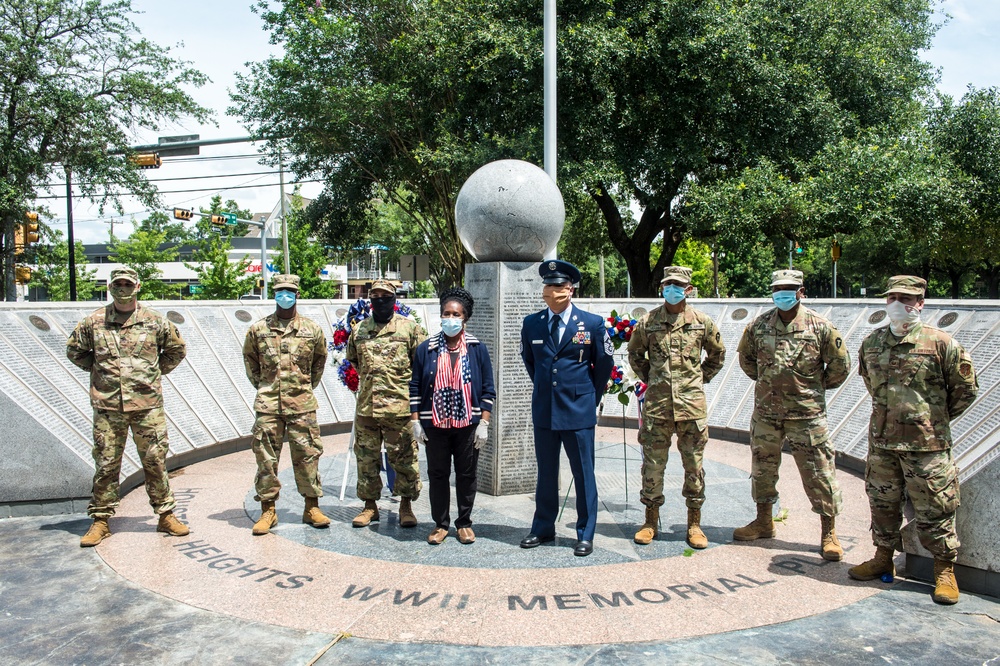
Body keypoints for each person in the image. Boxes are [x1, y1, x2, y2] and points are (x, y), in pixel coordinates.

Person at [850, 275, 978, 605]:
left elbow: (965, 390)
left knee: (937, 508)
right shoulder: (872, 343)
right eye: (892, 297)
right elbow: (870, 382)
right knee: (882, 504)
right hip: (882, 444)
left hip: (927, 447)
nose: (898, 304)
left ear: (920, 302)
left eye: (906, 298)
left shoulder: (941, 343)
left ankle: (944, 570)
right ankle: (882, 557)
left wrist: (932, 418)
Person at [66, 267, 189, 547]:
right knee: (106, 463)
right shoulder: (93, 322)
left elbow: (176, 350)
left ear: (138, 286)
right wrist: (100, 373)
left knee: (155, 461)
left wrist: (151, 374)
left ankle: (165, 515)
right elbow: (75, 351)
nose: (123, 288)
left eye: (128, 284)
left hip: (147, 406)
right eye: (118, 284)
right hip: (109, 407)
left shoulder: (155, 321)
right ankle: (100, 520)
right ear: (110, 286)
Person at [734, 269, 850, 560]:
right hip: (766, 413)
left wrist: (811, 388)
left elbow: (840, 367)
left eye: (789, 289)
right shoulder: (758, 326)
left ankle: (828, 533)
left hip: (806, 415)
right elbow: (747, 361)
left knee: (819, 474)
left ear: (801, 291)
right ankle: (764, 521)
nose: (782, 294)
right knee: (762, 470)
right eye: (778, 289)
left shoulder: (820, 327)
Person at [519, 260, 614, 556]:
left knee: (583, 473)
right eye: (548, 286)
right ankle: (543, 526)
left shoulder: (593, 324)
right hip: (545, 410)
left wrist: (588, 397)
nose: (552, 292)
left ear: (570, 290)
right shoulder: (532, 323)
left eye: (558, 287)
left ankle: (585, 532)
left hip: (578, 410)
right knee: (546, 472)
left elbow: (604, 366)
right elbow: (532, 363)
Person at [627, 266, 725, 548]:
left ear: (689, 289)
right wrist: (652, 378)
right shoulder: (648, 322)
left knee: (694, 466)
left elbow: (717, 353)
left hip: (691, 409)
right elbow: (635, 353)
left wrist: (698, 378)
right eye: (668, 284)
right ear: (662, 288)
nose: (673, 289)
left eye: (678, 285)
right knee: (653, 466)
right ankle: (649, 520)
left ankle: (694, 523)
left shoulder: (702, 322)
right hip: (658, 407)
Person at [242, 274, 331, 535]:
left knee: (308, 457)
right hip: (268, 405)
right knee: (266, 459)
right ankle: (268, 510)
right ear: (274, 294)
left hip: (302, 405)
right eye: (280, 291)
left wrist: (302, 387)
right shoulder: (258, 330)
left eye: (289, 291)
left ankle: (311, 507)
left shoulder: (311, 330)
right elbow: (251, 363)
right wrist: (266, 386)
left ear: (297, 294)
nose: (285, 296)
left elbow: (318, 363)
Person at [409, 288, 496, 545]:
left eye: (455, 314)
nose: (450, 318)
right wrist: (415, 421)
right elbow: (415, 386)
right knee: (438, 473)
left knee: (466, 474)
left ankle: (464, 523)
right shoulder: (427, 349)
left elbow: (488, 388)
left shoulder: (477, 349)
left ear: (464, 318)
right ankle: (440, 524)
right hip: (435, 424)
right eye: (446, 313)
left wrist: (484, 422)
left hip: (468, 424)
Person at [347, 279, 426, 528]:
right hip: (368, 409)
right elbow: (354, 360)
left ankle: (406, 505)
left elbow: (422, 365)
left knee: (403, 459)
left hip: (400, 408)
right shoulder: (359, 330)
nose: (379, 299)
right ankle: (370, 506)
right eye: (375, 295)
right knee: (366, 459)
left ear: (394, 298)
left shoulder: (410, 329)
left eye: (385, 295)